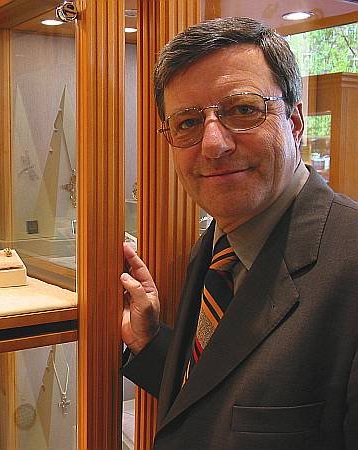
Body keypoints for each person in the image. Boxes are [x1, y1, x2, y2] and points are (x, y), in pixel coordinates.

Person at [120, 16, 358, 450]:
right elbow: (223, 398)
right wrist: (150, 341)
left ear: (295, 122)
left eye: (244, 110)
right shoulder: (216, 249)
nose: (213, 144)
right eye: (187, 123)